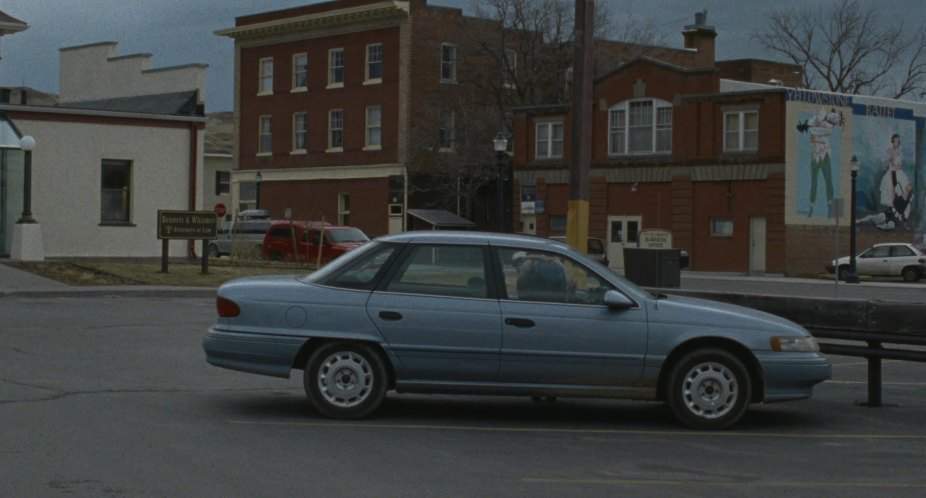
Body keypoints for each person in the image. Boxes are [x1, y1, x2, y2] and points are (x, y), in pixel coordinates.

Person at [797, 108, 844, 218]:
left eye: (821, 119)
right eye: (818, 119)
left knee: (829, 181)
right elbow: (812, 138)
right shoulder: (815, 124)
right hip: (815, 157)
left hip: (825, 156)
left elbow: (818, 133)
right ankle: (811, 207)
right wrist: (814, 132)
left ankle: (830, 208)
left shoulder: (828, 128)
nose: (819, 121)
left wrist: (814, 131)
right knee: (814, 183)